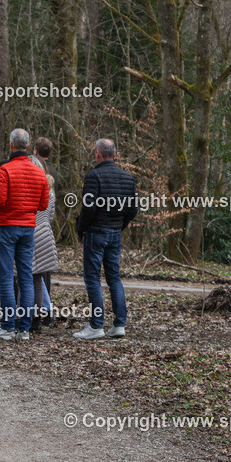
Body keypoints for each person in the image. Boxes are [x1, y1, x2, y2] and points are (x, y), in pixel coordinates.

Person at [0, 129, 49, 340]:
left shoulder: (5, 170)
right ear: (29, 146)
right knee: (26, 278)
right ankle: (24, 328)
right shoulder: (39, 173)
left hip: (6, 227)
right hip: (28, 228)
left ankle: (7, 326)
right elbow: (43, 204)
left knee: (5, 278)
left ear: (11, 145)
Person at [74, 139, 137, 340]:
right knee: (114, 277)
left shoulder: (93, 176)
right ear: (115, 155)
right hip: (114, 232)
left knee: (92, 278)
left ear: (98, 154)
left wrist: (81, 228)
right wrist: (120, 224)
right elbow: (133, 209)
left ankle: (96, 325)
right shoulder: (128, 178)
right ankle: (119, 324)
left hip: (96, 232)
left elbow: (88, 207)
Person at [30, 138, 57, 330]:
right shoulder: (50, 182)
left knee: (24, 277)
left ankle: (27, 318)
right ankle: (40, 316)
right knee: (39, 278)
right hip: (45, 234)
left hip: (31, 231)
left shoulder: (32, 187)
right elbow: (51, 214)